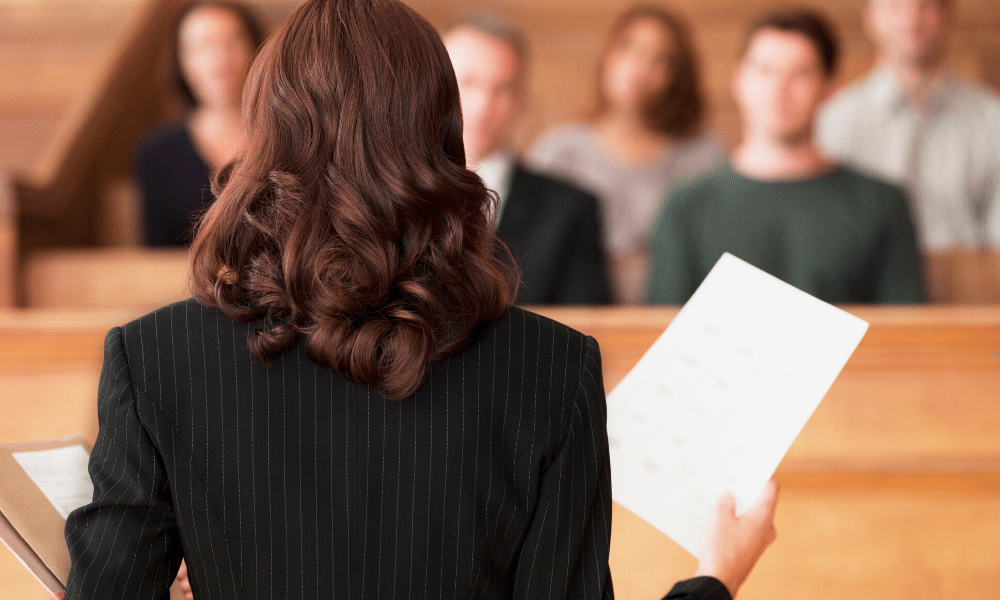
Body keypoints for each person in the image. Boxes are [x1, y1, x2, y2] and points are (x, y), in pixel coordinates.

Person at [60, 0, 778, 599]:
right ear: (443, 134)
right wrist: (716, 577)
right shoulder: (554, 369)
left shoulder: (153, 358)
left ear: (265, 134)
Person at [648, 9, 925, 306]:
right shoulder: (686, 206)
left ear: (832, 87)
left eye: (801, 74)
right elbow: (659, 331)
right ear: (738, 80)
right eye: (764, 70)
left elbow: (904, 336)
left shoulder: (882, 205)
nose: (779, 89)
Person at [527, 5, 725, 304]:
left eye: (661, 59)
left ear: (678, 77)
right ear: (607, 54)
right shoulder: (558, 152)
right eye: (627, 47)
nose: (639, 67)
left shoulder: (703, 157)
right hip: (577, 319)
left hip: (675, 315)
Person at [442, 12, 611, 305]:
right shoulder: (389, 194)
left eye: (502, 89)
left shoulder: (571, 210)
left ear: (522, 99)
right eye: (467, 82)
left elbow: (587, 326)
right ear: (436, 87)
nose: (483, 106)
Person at [818, 0, 1000, 252]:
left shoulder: (992, 119)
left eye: (925, 6)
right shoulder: (831, 122)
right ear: (871, 19)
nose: (912, 21)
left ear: (947, 16)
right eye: (897, 7)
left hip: (972, 282)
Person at [135, 1, 265, 246]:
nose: (220, 60)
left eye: (233, 42)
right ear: (180, 62)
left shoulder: (285, 136)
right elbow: (154, 255)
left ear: (258, 50)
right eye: (202, 46)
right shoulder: (156, 152)